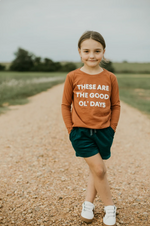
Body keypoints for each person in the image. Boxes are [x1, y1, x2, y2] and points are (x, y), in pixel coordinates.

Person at [61, 31, 120, 226]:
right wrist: (71, 130)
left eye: (97, 51)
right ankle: (110, 207)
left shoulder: (110, 78)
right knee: (99, 170)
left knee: (96, 170)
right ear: (79, 52)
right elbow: (65, 105)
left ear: (104, 52)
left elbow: (115, 105)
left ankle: (88, 203)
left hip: (104, 132)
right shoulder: (73, 76)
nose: (92, 55)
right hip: (81, 133)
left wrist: (112, 129)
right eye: (86, 51)